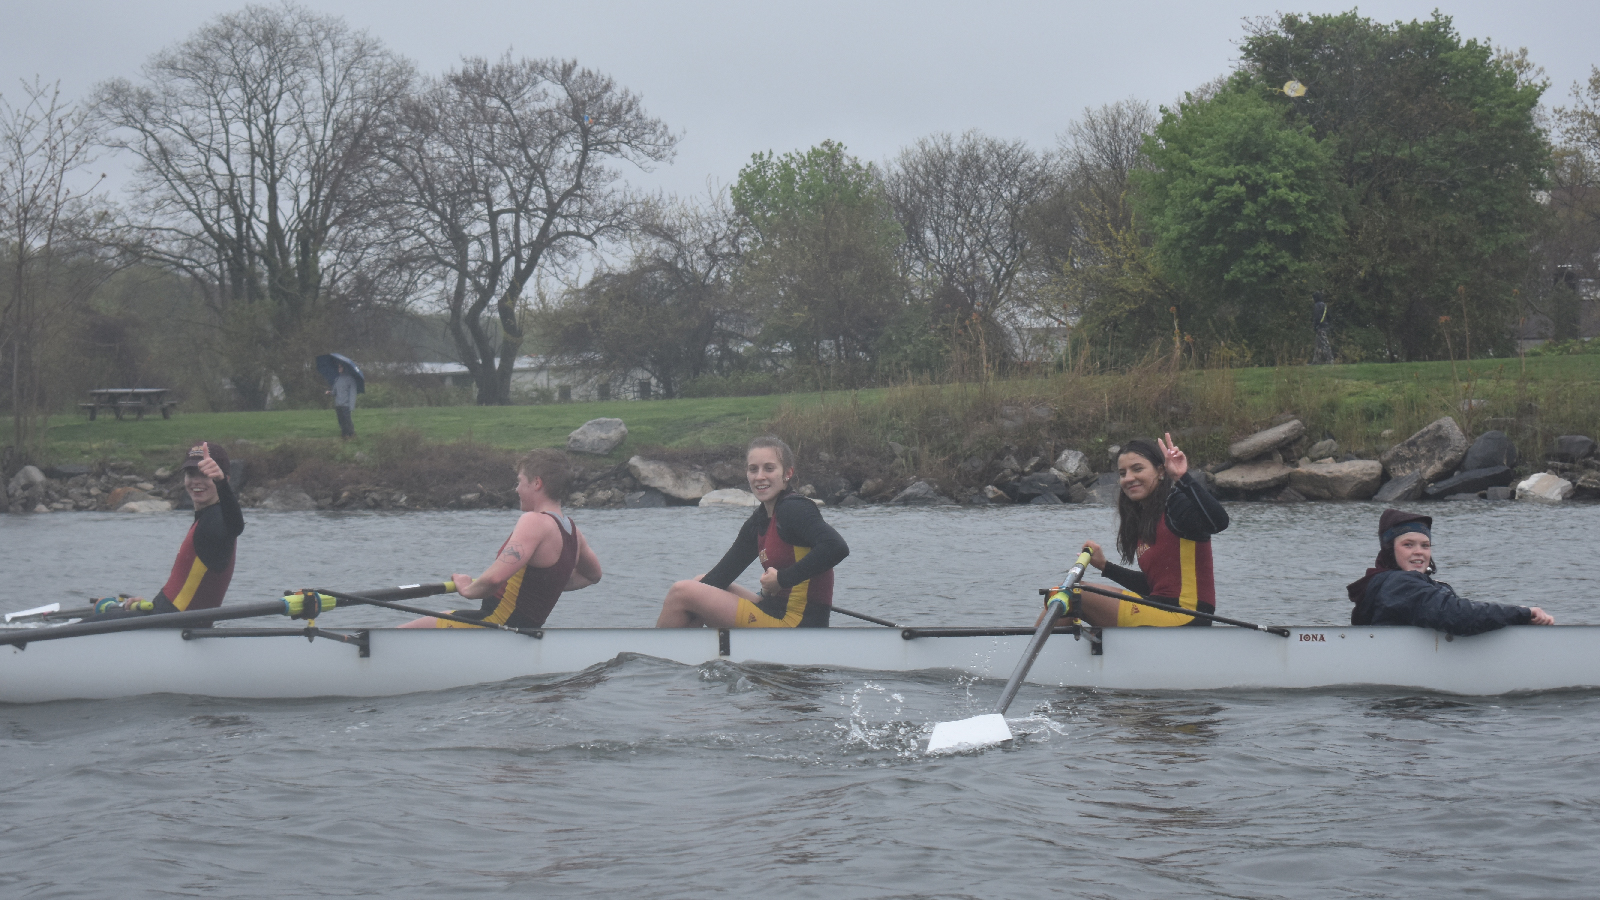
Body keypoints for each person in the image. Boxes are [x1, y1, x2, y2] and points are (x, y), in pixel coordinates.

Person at [656, 436, 848, 628]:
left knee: (681, 592)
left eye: (769, 468)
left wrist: (782, 579)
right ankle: (685, 652)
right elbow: (721, 576)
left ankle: (656, 655)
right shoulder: (759, 521)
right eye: (753, 469)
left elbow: (836, 547)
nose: (759, 476)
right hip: (772, 608)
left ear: (787, 473)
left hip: (797, 623)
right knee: (699, 583)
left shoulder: (795, 509)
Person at [401, 449, 601, 630]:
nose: (516, 489)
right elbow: (593, 575)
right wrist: (545, 586)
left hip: (495, 624)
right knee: (443, 617)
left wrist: (466, 588)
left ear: (537, 483)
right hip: (523, 630)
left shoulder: (534, 521)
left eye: (520, 481)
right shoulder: (574, 533)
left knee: (399, 634)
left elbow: (494, 579)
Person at [1047, 434, 1228, 628]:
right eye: (1123, 473)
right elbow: (1154, 587)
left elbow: (1219, 522)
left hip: (1187, 615)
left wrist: (1182, 477)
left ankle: (1034, 654)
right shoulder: (1146, 519)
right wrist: (1105, 567)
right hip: (1160, 609)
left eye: (1137, 469)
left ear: (1160, 471)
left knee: (1070, 594)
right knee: (1059, 594)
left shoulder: (1177, 506)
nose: (1129, 478)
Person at [1345, 509, 1554, 635]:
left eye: (1425, 546)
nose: (1419, 552)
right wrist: (1522, 613)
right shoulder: (1399, 584)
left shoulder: (1409, 584)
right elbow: (1457, 615)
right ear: (1390, 550)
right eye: (1408, 545)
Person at [102, 441, 245, 616]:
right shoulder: (206, 517)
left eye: (205, 475)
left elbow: (235, 527)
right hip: (166, 620)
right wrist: (150, 605)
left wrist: (222, 484)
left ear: (225, 478)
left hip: (173, 627)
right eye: (191, 474)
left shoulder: (217, 521)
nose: (196, 481)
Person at [329, 361, 358, 439]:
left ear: (344, 368)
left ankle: (351, 435)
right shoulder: (337, 379)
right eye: (338, 367)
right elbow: (334, 392)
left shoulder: (350, 379)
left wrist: (351, 406)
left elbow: (353, 393)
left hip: (346, 404)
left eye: (341, 367)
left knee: (347, 421)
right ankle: (344, 435)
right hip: (338, 404)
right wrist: (330, 392)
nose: (339, 368)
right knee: (341, 421)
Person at [1311, 291, 1334, 365]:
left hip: (1320, 327)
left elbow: (1317, 317)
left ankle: (1330, 360)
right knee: (1318, 344)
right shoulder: (1325, 305)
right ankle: (1316, 361)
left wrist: (1315, 326)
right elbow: (1329, 316)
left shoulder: (1317, 305)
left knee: (1324, 344)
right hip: (1325, 326)